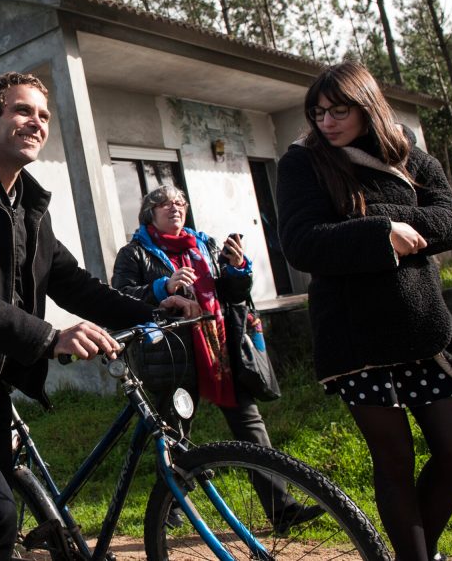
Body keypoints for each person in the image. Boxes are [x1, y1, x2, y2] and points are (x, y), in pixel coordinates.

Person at [0, 71, 198, 561]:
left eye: (43, 115)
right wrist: (51, 337)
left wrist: (153, 308)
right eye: (22, 110)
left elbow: (75, 284)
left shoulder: (31, 208)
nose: (36, 122)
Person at [275, 61, 452, 561]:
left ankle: (416, 552)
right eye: (317, 112)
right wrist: (376, 234)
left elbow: (451, 220)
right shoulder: (302, 162)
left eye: (338, 110)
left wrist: (377, 216)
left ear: (367, 106)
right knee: (393, 463)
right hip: (356, 339)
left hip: (424, 328)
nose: (326, 122)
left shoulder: (404, 151)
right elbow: (301, 244)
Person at [111, 185, 322, 532]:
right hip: (173, 355)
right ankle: (171, 509)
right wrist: (163, 287)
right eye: (164, 204)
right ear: (150, 212)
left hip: (219, 351)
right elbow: (121, 298)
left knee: (253, 431)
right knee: (174, 435)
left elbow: (232, 293)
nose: (174, 208)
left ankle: (282, 509)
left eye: (180, 202)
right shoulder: (134, 254)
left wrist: (239, 268)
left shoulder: (203, 245)